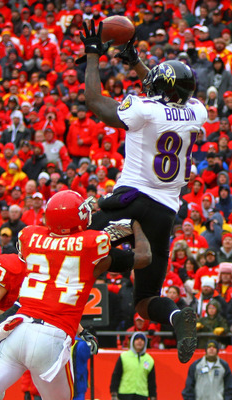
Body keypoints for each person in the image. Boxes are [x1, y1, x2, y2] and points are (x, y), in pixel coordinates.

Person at [81, 20, 207, 363]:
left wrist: (93, 55)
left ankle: (79, 320)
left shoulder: (144, 109)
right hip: (164, 209)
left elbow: (93, 99)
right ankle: (177, 317)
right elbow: (166, 90)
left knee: (79, 250)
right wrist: (136, 61)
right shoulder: (197, 110)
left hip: (130, 198)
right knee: (145, 299)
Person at [0, 190, 151, 400]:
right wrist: (136, 224)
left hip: (17, 329)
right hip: (51, 336)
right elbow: (144, 257)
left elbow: (58, 243)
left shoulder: (31, 236)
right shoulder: (91, 246)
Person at [110, 332, 157, 400]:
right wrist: (114, 393)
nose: (139, 341)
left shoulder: (149, 360)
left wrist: (153, 396)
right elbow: (116, 376)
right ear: (132, 342)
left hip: (142, 395)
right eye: (137, 339)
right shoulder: (124, 356)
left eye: (142, 340)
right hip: (124, 394)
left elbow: (151, 382)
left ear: (145, 343)